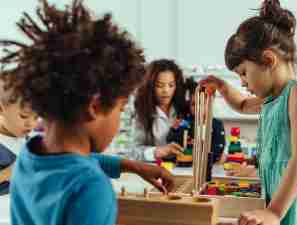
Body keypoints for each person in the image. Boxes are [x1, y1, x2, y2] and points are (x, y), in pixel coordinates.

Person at [0, 1, 173, 224]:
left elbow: (72, 162)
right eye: (119, 109)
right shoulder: (91, 187)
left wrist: (132, 166)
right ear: (95, 107)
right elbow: (79, 167)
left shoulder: (28, 157)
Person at [202, 1, 297, 224]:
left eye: (244, 73)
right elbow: (242, 104)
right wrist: (223, 88)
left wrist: (274, 212)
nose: (242, 82)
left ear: (269, 60)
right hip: (275, 198)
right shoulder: (272, 98)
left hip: (291, 203)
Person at [129, 59, 187, 162]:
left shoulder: (183, 109)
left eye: (171, 85)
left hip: (184, 170)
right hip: (156, 172)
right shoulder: (143, 112)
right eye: (159, 85)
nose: (166, 90)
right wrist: (157, 151)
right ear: (150, 87)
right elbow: (134, 152)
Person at [166, 77, 226, 164]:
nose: (198, 108)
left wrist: (213, 158)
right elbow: (172, 143)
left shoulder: (216, 124)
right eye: (194, 104)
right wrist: (175, 130)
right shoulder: (185, 122)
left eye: (202, 103)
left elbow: (219, 145)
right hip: (186, 163)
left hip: (208, 164)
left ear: (211, 102)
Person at [0, 70, 38, 195]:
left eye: (36, 117)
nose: (32, 124)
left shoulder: (29, 139)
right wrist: (7, 173)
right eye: (24, 116)